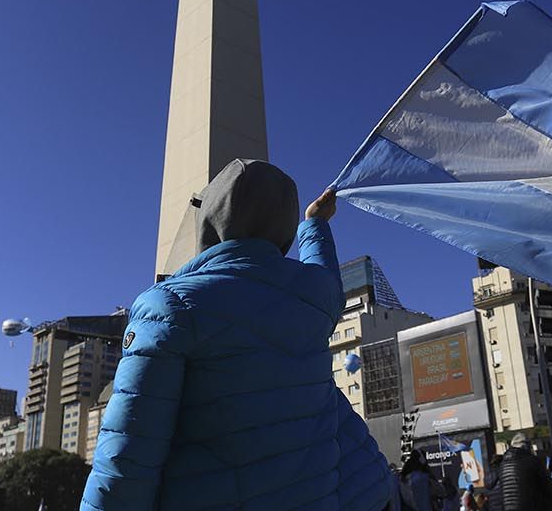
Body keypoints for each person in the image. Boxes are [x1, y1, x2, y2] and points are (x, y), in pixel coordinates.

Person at [79, 160, 392, 510]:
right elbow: (325, 274)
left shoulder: (168, 306)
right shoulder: (314, 299)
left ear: (208, 221)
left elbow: (128, 450)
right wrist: (315, 222)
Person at [498, 434, 552, 511]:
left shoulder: (503, 464)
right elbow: (545, 484)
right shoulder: (532, 460)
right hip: (530, 506)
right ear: (526, 446)